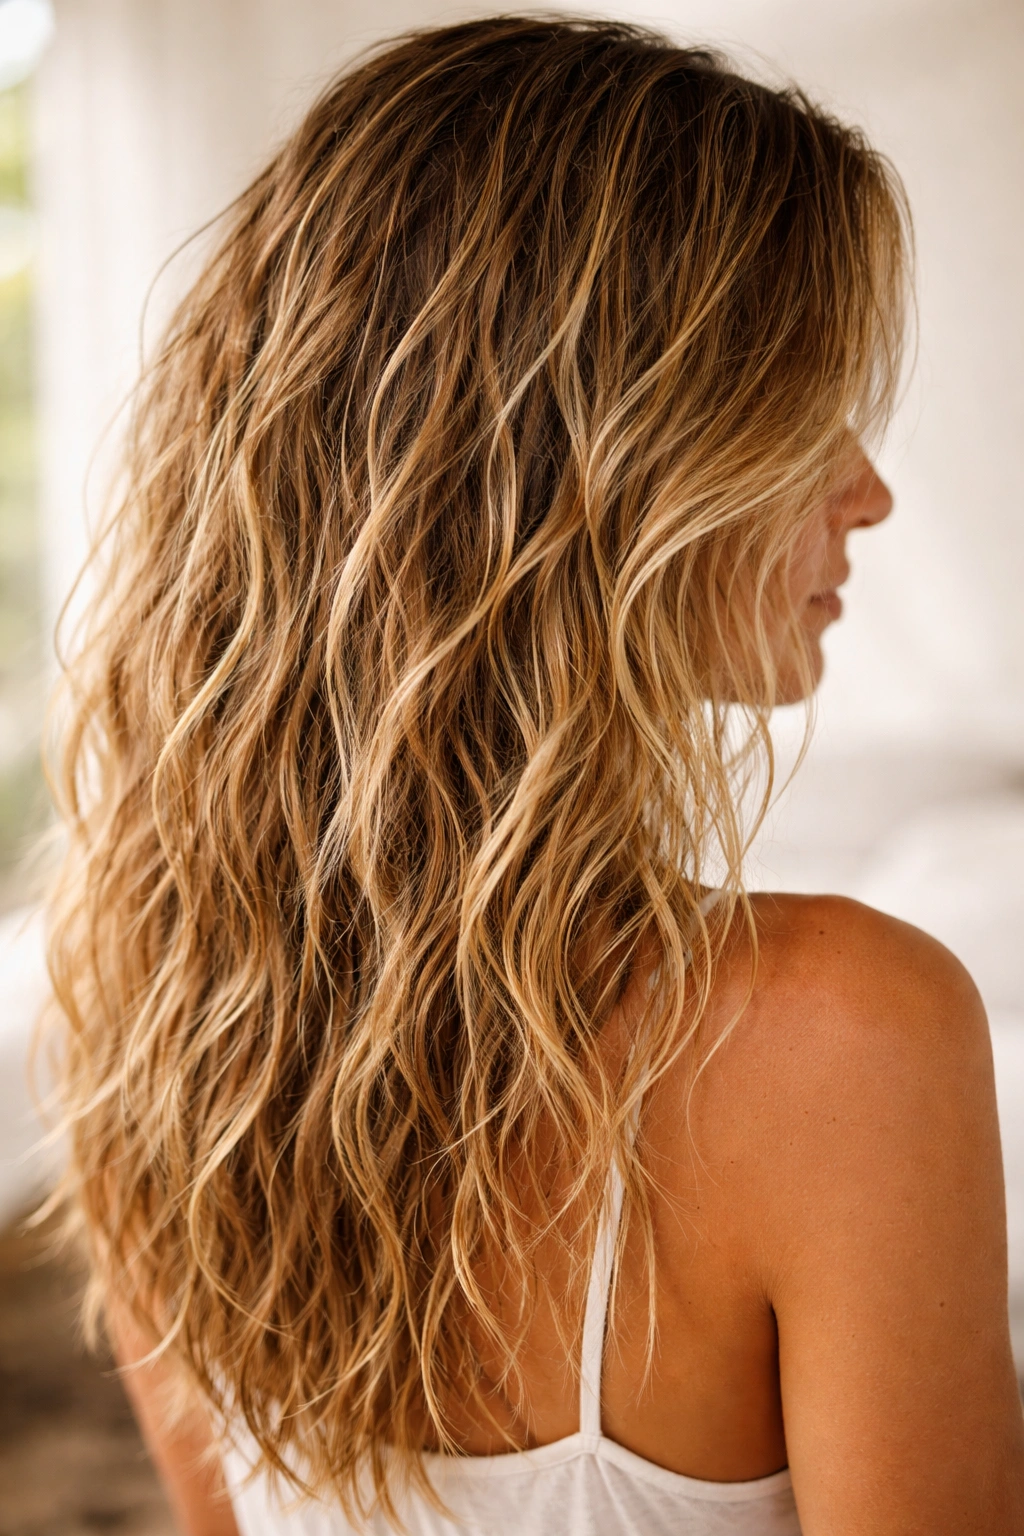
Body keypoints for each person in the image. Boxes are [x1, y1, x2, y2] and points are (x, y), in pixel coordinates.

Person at [42, 16, 1024, 1535]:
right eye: (803, 406)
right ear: (612, 460)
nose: (871, 492)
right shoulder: (848, 1033)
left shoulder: (151, 990)